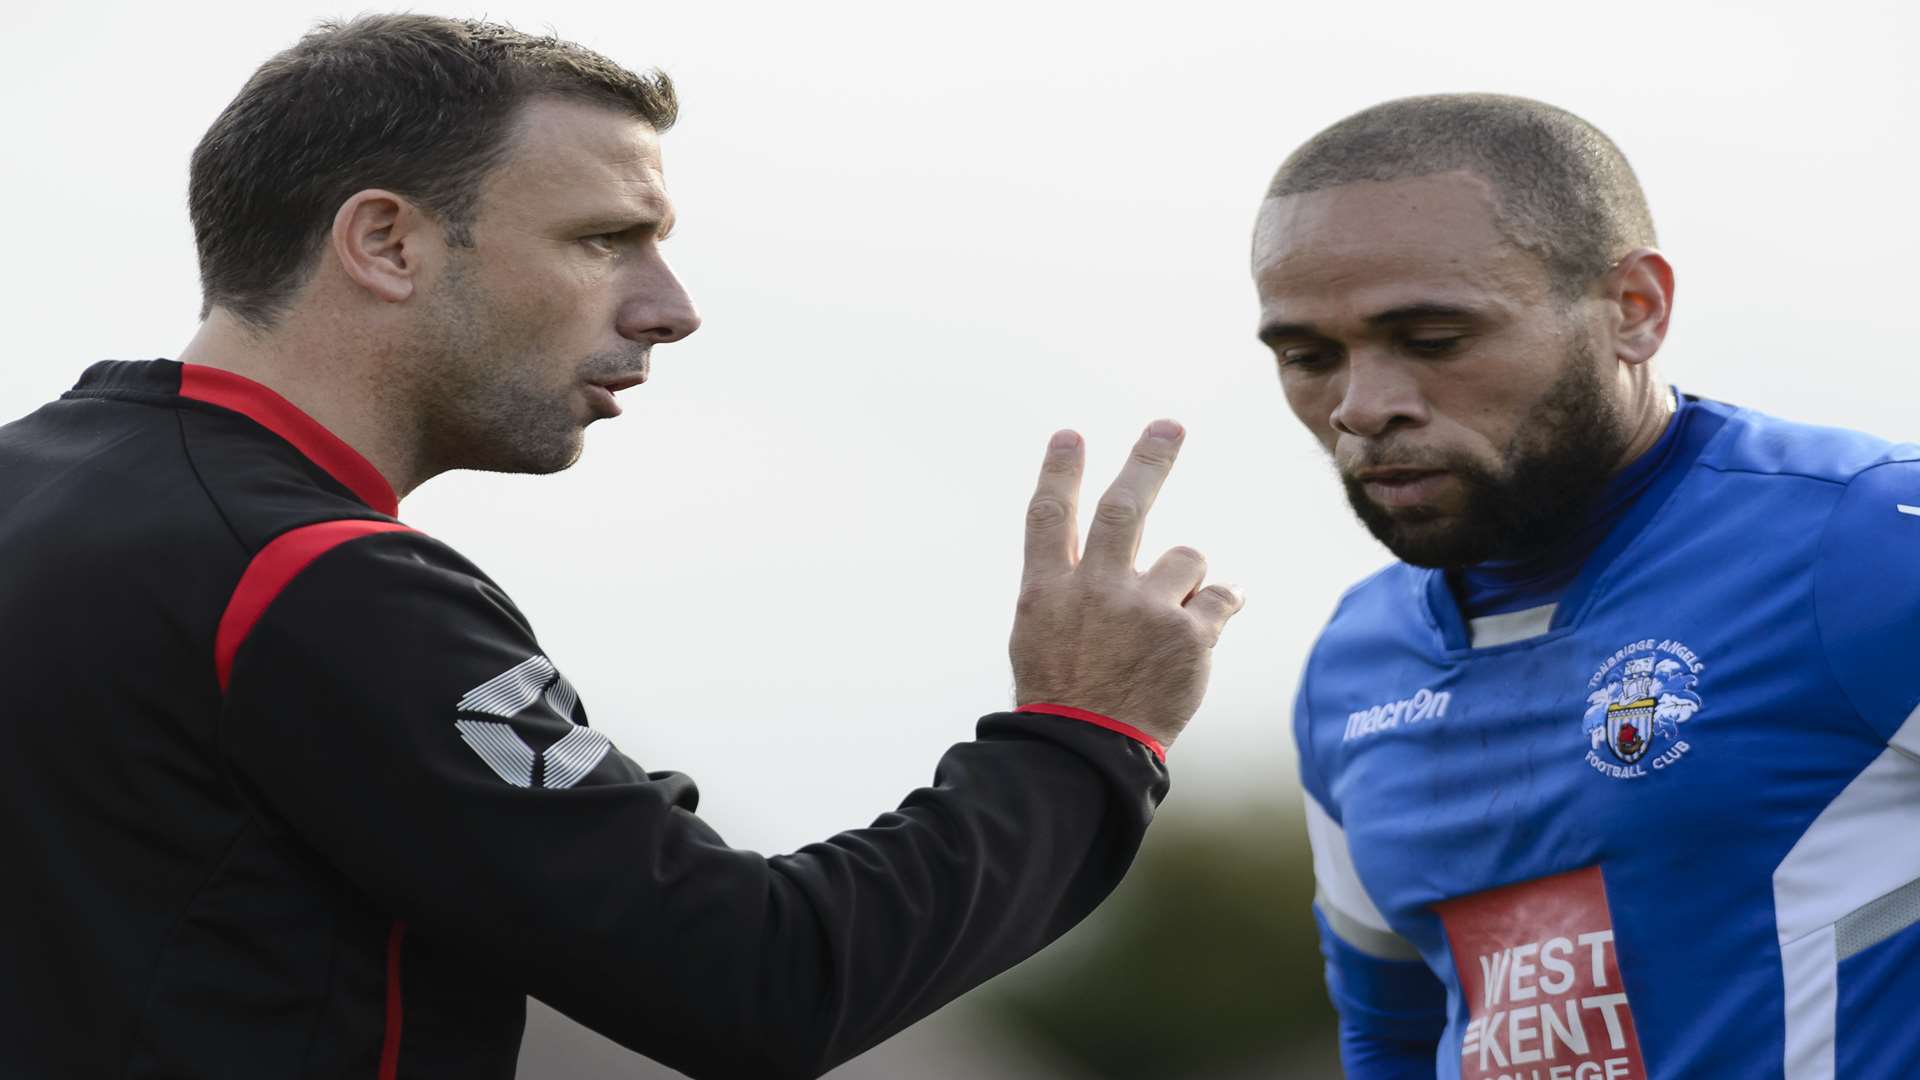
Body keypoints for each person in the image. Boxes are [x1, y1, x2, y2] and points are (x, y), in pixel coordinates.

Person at [0, 15, 1246, 1079]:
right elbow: (759, 979)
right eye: (605, 239)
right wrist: (1087, 735)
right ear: (385, 242)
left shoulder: (37, 490)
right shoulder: (314, 581)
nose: (672, 307)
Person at [1256, 94, 1920, 1079]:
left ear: (1634, 310)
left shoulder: (1871, 547)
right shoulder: (1355, 665)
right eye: (1309, 357)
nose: (1362, 407)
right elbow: (1394, 1033)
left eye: (1433, 340)